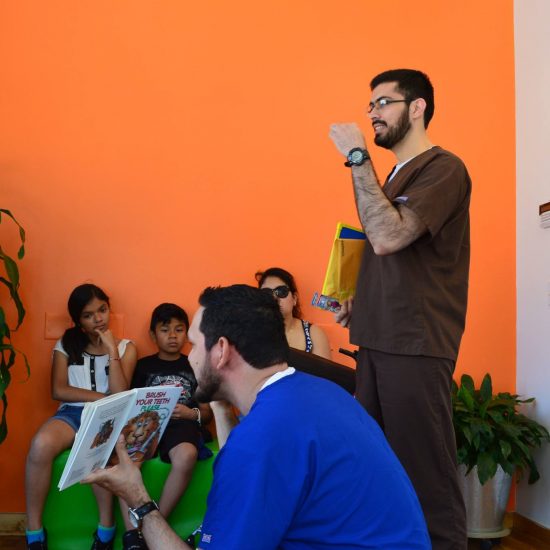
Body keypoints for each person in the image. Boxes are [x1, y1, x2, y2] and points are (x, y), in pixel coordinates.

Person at [85, 284, 430, 549]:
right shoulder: (319, 393)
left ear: (221, 350)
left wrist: (139, 500)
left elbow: (256, 454)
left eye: (194, 343)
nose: (189, 356)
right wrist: (219, 400)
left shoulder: (261, 439)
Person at [329, 68, 470, 549]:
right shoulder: (390, 177)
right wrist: (360, 303)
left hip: (414, 344)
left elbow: (389, 236)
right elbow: (394, 255)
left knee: (427, 478)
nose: (372, 114)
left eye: (383, 103)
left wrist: (355, 157)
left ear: (418, 108)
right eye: (370, 106)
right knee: (378, 471)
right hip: (376, 339)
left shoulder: (444, 168)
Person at [25, 283, 137, 550]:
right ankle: (34, 532)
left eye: (102, 310)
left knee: (97, 452)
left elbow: (121, 393)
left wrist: (112, 351)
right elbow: (58, 389)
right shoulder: (66, 344)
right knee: (40, 446)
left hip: (109, 416)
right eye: (89, 314)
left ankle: (105, 531)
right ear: (77, 320)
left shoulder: (126, 348)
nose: (98, 318)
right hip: (72, 413)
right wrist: (100, 398)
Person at [120, 303, 212, 550]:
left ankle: (156, 521)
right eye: (165, 329)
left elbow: (207, 411)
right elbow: (130, 404)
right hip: (146, 424)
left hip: (182, 423)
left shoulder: (194, 364)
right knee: (126, 461)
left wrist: (190, 413)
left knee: (187, 455)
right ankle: (133, 536)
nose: (173, 335)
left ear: (188, 332)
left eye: (179, 329)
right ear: (153, 335)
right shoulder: (143, 366)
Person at [256, 267, 331, 359]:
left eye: (281, 291)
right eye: (266, 293)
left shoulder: (314, 334)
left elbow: (323, 372)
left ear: (294, 299)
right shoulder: (250, 333)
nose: (274, 298)